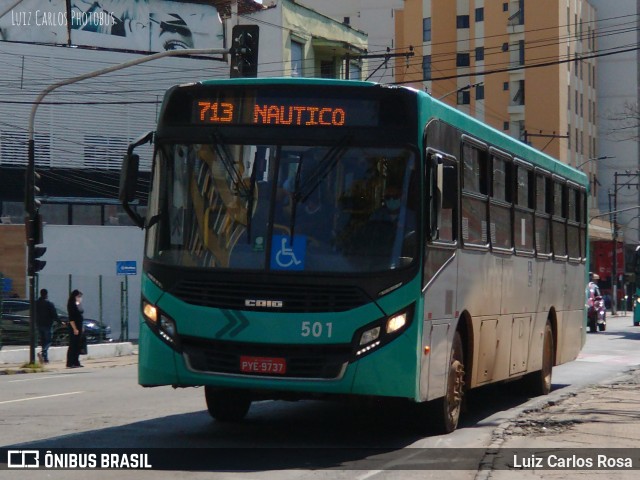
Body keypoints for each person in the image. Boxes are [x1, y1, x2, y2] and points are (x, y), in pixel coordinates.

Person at [35, 289, 59, 364]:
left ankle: (45, 358)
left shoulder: (36, 303)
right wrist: (60, 321)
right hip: (47, 324)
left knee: (43, 341)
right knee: (48, 341)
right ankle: (43, 352)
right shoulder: (49, 303)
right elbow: (54, 314)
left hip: (39, 324)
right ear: (46, 294)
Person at [66, 290, 85, 368]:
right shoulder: (71, 304)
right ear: (75, 296)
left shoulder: (78, 304)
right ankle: (70, 362)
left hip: (79, 326)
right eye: (78, 296)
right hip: (74, 326)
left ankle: (76, 361)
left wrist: (82, 327)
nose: (80, 298)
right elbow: (71, 318)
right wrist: (75, 328)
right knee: (73, 345)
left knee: (78, 345)